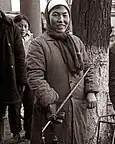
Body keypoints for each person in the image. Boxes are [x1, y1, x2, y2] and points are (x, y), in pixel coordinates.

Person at [26, 0, 99, 143]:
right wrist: (50, 100)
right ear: (47, 17)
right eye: (56, 15)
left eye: (65, 15)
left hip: (77, 109)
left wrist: (90, 91)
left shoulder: (76, 41)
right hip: (52, 110)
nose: (61, 20)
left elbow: (88, 68)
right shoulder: (38, 44)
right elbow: (35, 76)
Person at [0, 10, 27, 143]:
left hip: (10, 76)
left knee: (14, 106)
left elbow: (19, 56)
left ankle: (16, 134)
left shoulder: (11, 27)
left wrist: (22, 80)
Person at [13, 14, 34, 142]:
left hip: (30, 77)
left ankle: (29, 131)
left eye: (25, 26)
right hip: (16, 77)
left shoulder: (33, 40)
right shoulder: (11, 38)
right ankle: (16, 132)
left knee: (30, 105)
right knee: (15, 105)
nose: (23, 29)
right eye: (20, 26)